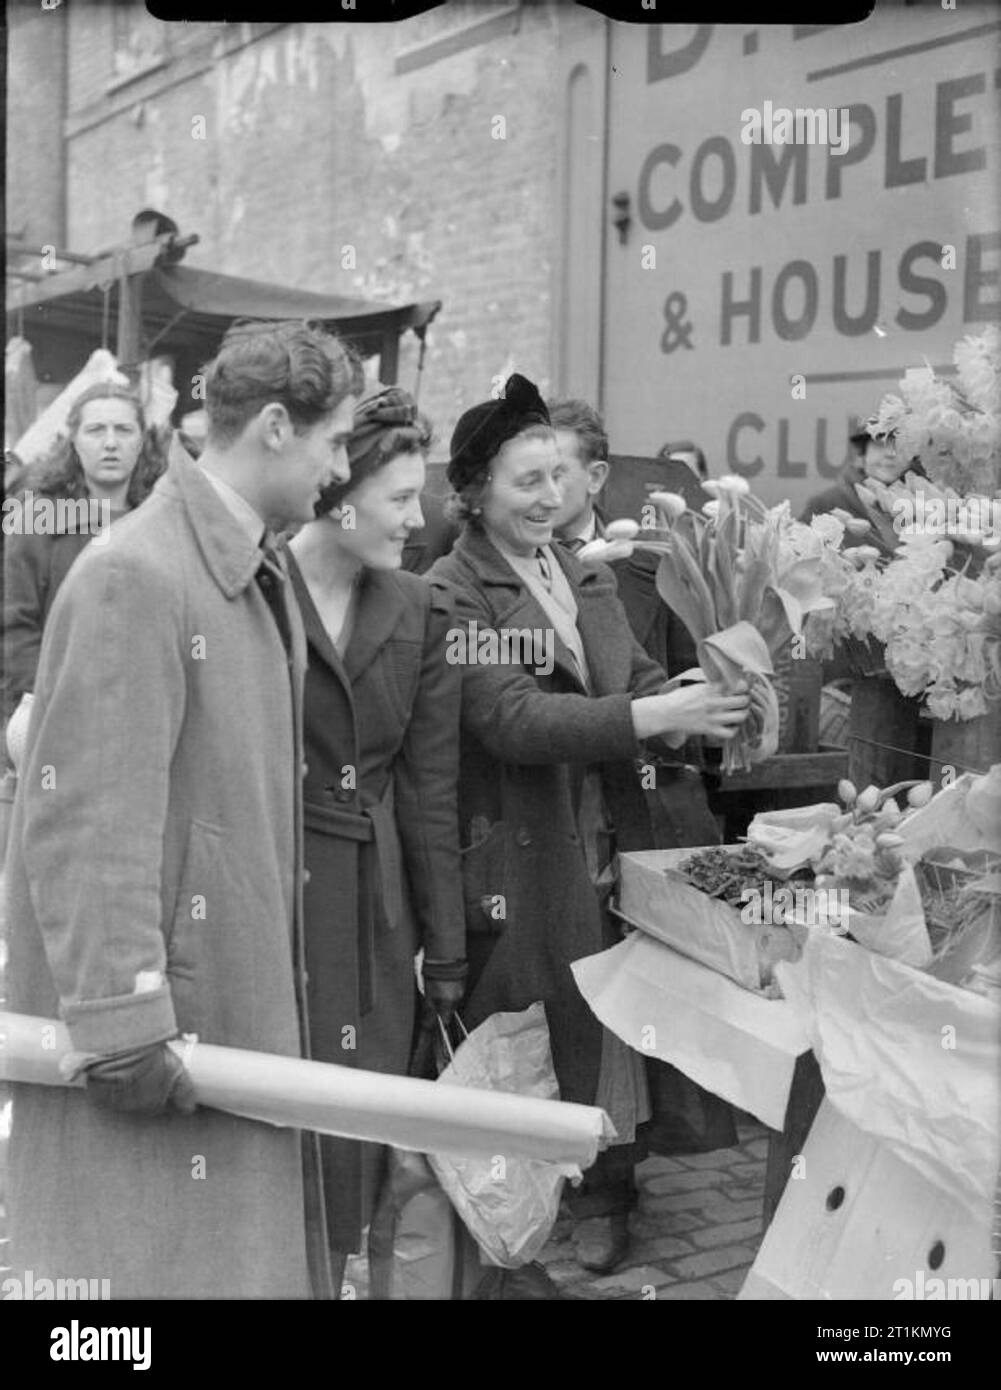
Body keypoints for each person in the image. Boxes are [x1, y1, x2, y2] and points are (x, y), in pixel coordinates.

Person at [5, 319, 360, 1299]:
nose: (341, 470)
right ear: (278, 427)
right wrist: (122, 1027)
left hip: (222, 1021)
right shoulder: (136, 573)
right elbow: (82, 823)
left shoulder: (251, 560)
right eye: (336, 441)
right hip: (167, 1045)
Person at [429, 375, 754, 1285]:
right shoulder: (453, 592)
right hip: (523, 855)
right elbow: (512, 721)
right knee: (539, 1043)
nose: (548, 498)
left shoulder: (585, 573)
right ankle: (513, 1238)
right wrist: (644, 719)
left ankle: (608, 1194)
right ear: (475, 492)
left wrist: (685, 704)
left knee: (611, 1031)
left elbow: (636, 676)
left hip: (612, 835)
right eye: (523, 482)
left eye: (556, 477)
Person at [285, 384, 466, 1294]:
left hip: (375, 907)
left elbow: (431, 789)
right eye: (399, 496)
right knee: (276, 1120)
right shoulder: (256, 586)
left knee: (357, 1125)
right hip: (271, 891)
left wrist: (446, 953)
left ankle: (341, 1270)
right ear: (338, 490)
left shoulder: (417, 605)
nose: (418, 515)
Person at [2, 382, 166, 723]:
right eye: (95, 430)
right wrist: (43, 700)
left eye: (123, 430)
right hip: (55, 707)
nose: (110, 443)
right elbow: (15, 624)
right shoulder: (37, 516)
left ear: (142, 440)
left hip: (143, 708)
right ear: (73, 440)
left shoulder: (162, 519)